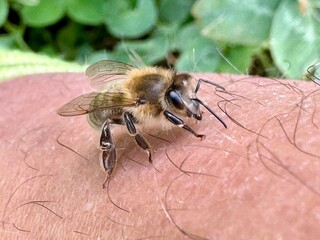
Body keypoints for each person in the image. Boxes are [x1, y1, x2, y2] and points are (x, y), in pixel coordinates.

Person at [0, 72, 319, 239]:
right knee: (120, 120)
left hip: (25, 84)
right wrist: (174, 138)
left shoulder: (167, 87)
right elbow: (127, 113)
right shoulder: (143, 102)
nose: (192, 104)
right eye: (185, 102)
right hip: (108, 106)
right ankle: (108, 155)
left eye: (189, 96)